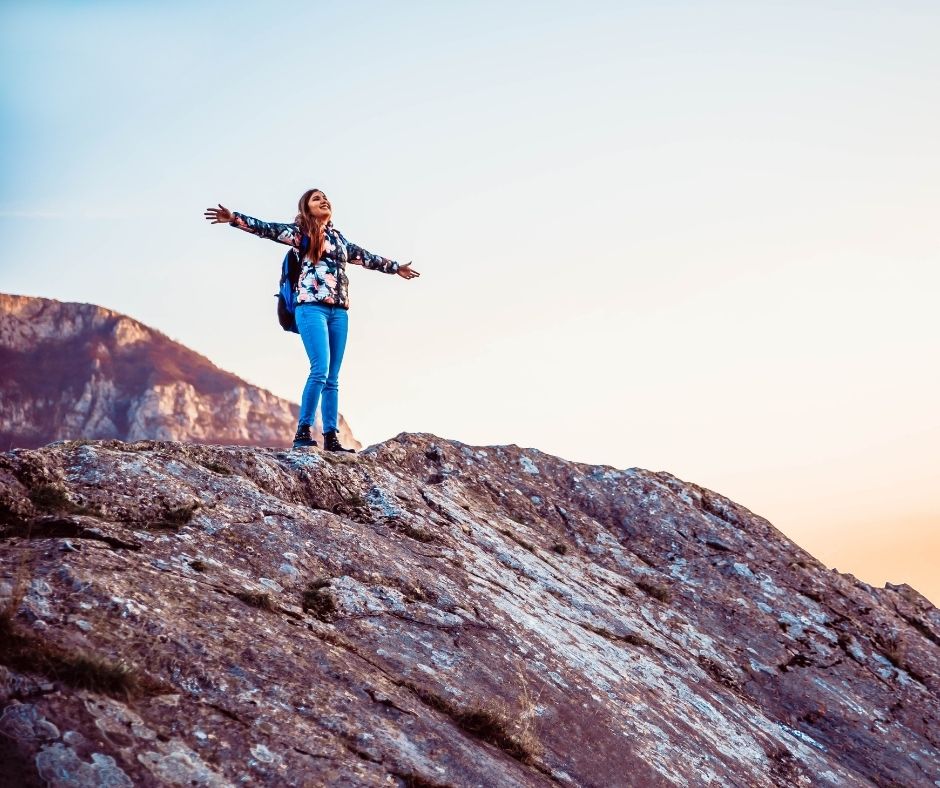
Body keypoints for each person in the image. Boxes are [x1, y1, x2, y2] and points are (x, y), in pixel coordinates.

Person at [204, 189, 420, 451]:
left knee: (333, 378)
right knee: (320, 370)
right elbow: (268, 229)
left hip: (339, 313)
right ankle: (303, 432)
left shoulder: (339, 240)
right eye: (316, 198)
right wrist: (234, 218)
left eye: (325, 197)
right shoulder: (301, 233)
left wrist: (396, 268)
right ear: (306, 208)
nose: (323, 200)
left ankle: (331, 437)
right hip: (310, 308)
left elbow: (367, 258)